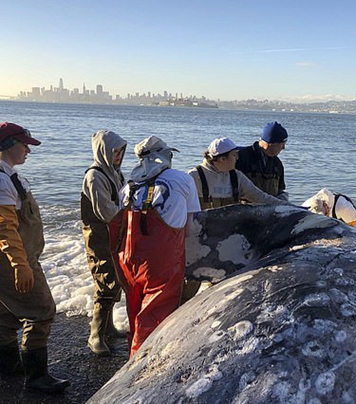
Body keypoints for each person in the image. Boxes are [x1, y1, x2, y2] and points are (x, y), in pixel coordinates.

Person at [108, 136, 200, 358]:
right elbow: (190, 227)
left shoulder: (128, 186)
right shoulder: (182, 179)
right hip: (162, 260)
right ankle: (142, 365)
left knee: (135, 309)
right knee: (155, 315)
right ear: (166, 156)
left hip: (128, 259)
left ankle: (132, 352)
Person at [0, 122, 69, 393]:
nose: (28, 149)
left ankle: (7, 366)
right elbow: (5, 227)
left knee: (6, 315)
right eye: (24, 144)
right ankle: (37, 377)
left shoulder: (9, 175)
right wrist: (20, 264)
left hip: (14, 259)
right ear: (7, 145)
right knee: (42, 311)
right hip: (15, 261)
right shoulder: (3, 180)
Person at [182, 137, 288, 303]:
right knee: (187, 289)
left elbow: (260, 197)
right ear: (221, 159)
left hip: (227, 244)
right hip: (198, 243)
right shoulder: (193, 177)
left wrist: (287, 207)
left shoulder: (236, 177)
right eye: (234, 156)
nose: (238, 159)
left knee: (223, 292)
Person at [80, 130, 127, 356]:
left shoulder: (115, 173)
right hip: (99, 237)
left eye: (120, 152)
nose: (118, 156)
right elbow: (107, 212)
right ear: (104, 151)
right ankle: (95, 334)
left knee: (115, 279)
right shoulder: (95, 176)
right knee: (105, 279)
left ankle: (108, 327)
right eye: (114, 152)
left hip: (114, 235)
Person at [236, 121, 288, 201]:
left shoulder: (277, 164)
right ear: (271, 143)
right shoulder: (242, 157)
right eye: (282, 144)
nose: (283, 148)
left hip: (270, 210)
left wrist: (283, 198)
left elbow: (280, 190)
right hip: (246, 210)